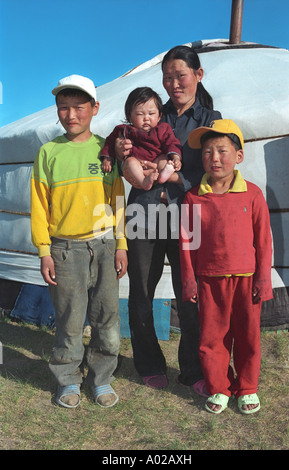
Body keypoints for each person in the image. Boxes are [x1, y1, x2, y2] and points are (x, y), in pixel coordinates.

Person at [116, 45, 222, 392]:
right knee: (141, 293)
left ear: (198, 75)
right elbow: (122, 157)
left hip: (187, 215)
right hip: (143, 213)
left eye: (181, 75)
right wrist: (124, 159)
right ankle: (148, 362)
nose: (174, 83)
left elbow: (214, 170)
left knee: (190, 294)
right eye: (167, 77)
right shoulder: (147, 114)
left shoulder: (210, 119)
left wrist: (177, 178)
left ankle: (192, 368)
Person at [31, 74, 128, 409]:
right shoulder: (48, 152)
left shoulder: (108, 151)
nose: (70, 115)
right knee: (70, 321)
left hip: (103, 247)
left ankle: (101, 379)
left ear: (95, 108)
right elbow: (39, 205)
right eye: (63, 108)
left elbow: (118, 201)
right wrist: (44, 250)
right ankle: (68, 380)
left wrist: (121, 245)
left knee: (107, 319)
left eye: (78, 107)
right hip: (63, 248)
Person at [180, 119, 273, 414]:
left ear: (239, 156)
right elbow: (186, 243)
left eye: (222, 150)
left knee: (248, 335)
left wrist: (263, 279)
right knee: (212, 337)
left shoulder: (253, 194)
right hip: (209, 280)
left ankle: (246, 387)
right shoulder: (193, 197)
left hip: (247, 280)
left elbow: (264, 241)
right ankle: (219, 386)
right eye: (207, 152)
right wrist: (189, 281)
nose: (214, 158)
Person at [101, 87, 182, 190]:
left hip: (156, 161)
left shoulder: (163, 129)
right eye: (140, 114)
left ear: (159, 116)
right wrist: (108, 158)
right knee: (130, 162)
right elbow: (110, 142)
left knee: (164, 159)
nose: (146, 118)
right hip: (137, 164)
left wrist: (176, 158)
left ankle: (163, 175)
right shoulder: (125, 130)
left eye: (151, 114)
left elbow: (172, 143)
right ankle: (144, 182)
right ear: (129, 116)